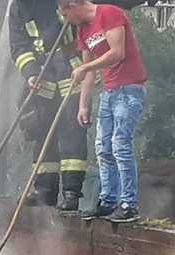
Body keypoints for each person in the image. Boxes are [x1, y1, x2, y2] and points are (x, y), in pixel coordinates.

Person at [60, 0, 148, 224]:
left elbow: (117, 53)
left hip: (129, 88)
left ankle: (129, 204)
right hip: (109, 92)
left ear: (72, 5)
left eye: (65, 14)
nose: (65, 20)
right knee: (103, 147)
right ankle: (108, 200)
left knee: (120, 144)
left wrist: (86, 67)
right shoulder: (82, 30)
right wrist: (83, 104)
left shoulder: (109, 13)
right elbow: (88, 73)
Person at [10, 0, 89, 211]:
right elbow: (18, 47)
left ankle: (71, 192)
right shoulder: (19, 7)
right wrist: (30, 72)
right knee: (43, 134)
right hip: (42, 78)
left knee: (73, 134)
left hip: (72, 73)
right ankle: (45, 191)